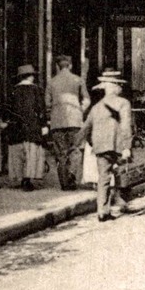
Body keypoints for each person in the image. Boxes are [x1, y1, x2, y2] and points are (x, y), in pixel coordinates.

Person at [82, 69, 134, 221]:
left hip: (100, 146)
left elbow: (86, 128)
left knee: (103, 178)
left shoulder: (97, 106)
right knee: (124, 172)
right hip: (117, 145)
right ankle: (123, 203)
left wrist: (92, 144)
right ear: (115, 87)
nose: (121, 88)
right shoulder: (124, 103)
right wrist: (127, 147)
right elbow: (126, 126)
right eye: (119, 85)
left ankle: (102, 211)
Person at [47, 56, 90, 192]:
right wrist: (80, 110)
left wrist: (53, 112)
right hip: (75, 120)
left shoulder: (51, 82)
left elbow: (47, 103)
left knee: (61, 152)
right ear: (70, 66)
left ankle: (64, 183)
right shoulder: (78, 80)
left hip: (57, 122)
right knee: (75, 149)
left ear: (57, 67)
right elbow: (87, 99)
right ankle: (72, 175)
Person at [6, 64, 48, 191]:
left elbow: (8, 109)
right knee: (31, 152)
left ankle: (19, 177)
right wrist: (44, 124)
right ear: (30, 77)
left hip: (17, 127)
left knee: (18, 152)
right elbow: (41, 109)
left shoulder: (13, 90)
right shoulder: (37, 90)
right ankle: (28, 179)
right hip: (32, 126)